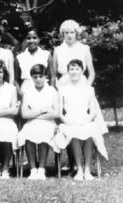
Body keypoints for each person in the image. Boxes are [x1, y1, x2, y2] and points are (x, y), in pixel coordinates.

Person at [53, 19, 108, 171]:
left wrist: (85, 89)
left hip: (82, 85)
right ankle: (73, 163)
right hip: (64, 87)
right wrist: (60, 91)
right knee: (68, 123)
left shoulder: (84, 48)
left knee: (86, 122)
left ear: (76, 33)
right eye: (66, 32)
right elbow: (54, 75)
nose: (69, 35)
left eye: (72, 32)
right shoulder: (58, 50)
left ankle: (87, 162)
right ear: (62, 34)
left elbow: (91, 72)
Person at [58, 59, 108, 180]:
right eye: (71, 69)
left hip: (85, 119)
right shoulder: (63, 89)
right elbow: (60, 113)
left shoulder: (89, 89)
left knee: (90, 132)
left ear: (82, 71)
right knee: (74, 134)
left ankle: (87, 169)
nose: (74, 72)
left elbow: (93, 111)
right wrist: (68, 122)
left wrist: (86, 121)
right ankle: (79, 169)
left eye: (77, 69)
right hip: (69, 120)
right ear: (68, 71)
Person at [18, 64, 59, 180]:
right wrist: (41, 111)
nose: (38, 79)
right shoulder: (27, 91)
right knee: (28, 133)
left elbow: (56, 113)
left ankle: (41, 169)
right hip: (32, 122)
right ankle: (33, 169)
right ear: (31, 78)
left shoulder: (52, 91)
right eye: (35, 77)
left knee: (44, 133)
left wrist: (34, 115)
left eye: (41, 76)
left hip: (48, 123)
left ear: (45, 76)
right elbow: (24, 114)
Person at [15, 29, 54, 95]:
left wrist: (51, 91)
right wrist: (20, 93)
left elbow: (52, 76)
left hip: (44, 89)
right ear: (25, 40)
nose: (31, 41)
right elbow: (15, 79)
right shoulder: (19, 57)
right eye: (28, 38)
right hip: (26, 89)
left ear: (39, 39)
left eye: (34, 38)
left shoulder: (46, 55)